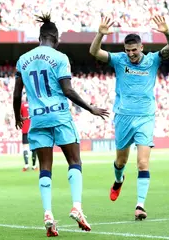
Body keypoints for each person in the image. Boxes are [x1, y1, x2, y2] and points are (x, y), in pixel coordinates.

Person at [13, 13, 109, 237]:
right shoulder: (60, 57)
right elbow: (67, 90)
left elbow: (17, 93)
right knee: (74, 161)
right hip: (59, 116)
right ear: (55, 39)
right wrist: (90, 108)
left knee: (45, 167)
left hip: (37, 118)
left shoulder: (22, 60)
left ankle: (48, 213)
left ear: (40, 38)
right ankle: (77, 206)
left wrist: (17, 115)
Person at [89, 15, 169, 220]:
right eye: (128, 50)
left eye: (134, 50)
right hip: (123, 117)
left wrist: (166, 32)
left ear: (141, 47)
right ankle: (119, 181)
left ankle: (140, 205)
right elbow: (94, 52)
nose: (131, 54)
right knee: (121, 161)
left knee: (143, 164)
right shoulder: (119, 59)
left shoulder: (153, 59)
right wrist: (100, 34)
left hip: (145, 117)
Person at [20, 95, 38, 171]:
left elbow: (19, 116)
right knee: (34, 147)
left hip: (25, 129)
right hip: (33, 128)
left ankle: (26, 165)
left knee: (25, 147)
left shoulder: (22, 105)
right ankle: (34, 166)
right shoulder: (34, 104)